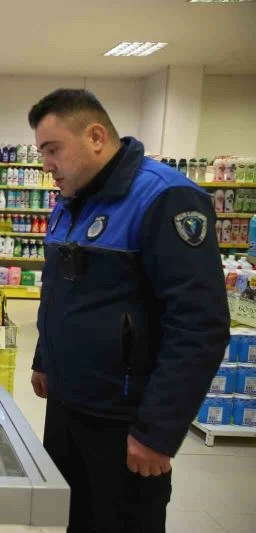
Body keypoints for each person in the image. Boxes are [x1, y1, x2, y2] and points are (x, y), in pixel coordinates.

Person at [27, 89, 229, 532]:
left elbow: (199, 325)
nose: (46, 164)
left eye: (52, 149)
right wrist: (45, 359)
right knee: (73, 519)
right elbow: (59, 291)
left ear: (96, 137)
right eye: (42, 152)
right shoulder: (70, 201)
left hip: (124, 419)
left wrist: (158, 431)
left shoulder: (165, 198)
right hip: (67, 405)